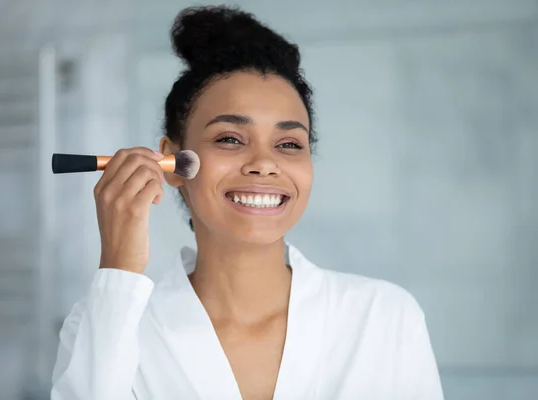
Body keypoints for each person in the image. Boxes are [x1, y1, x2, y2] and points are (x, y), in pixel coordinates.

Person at [51, 5, 444, 400]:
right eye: (229, 139)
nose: (264, 164)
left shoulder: (384, 319)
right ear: (171, 162)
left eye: (289, 144)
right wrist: (120, 269)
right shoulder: (106, 325)